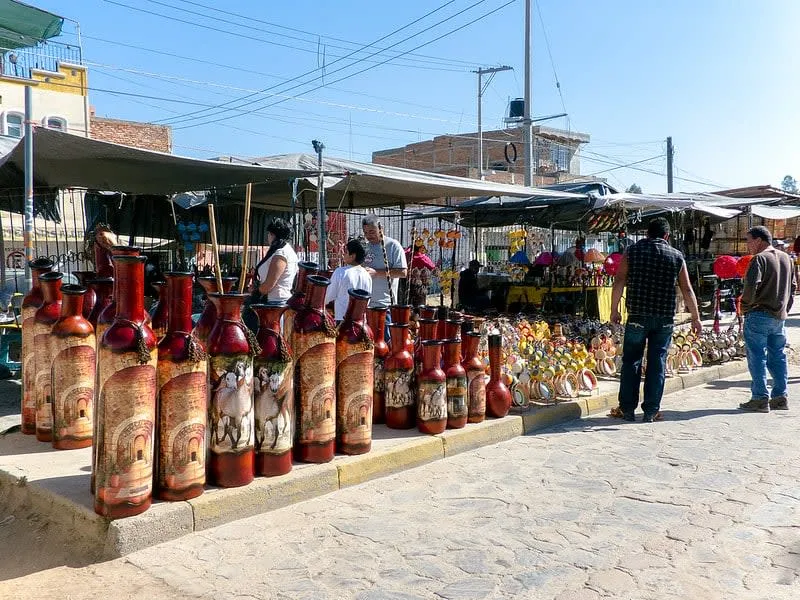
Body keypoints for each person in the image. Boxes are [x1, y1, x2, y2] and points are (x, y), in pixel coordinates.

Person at [610, 217, 702, 423]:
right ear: (667, 236)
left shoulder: (632, 251)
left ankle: (626, 409)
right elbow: (687, 289)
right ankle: (651, 411)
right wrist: (695, 317)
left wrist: (614, 309)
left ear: (646, 233)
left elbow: (619, 280)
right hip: (664, 319)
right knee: (657, 363)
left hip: (637, 316)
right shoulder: (677, 256)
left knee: (631, 361)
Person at [738, 226, 796, 412]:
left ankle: (760, 398)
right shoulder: (787, 258)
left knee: (757, 357)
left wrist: (745, 308)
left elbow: (750, 287)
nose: (748, 246)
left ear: (759, 240)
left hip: (759, 314)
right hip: (779, 317)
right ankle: (780, 396)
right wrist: (784, 309)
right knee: (778, 356)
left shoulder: (759, 259)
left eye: (749, 241)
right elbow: (793, 287)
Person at [244, 218, 298, 330]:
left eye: (269, 234)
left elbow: (269, 285)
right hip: (274, 302)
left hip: (275, 303)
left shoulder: (281, 254)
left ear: (272, 235)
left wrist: (256, 291)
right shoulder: (282, 251)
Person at [361, 216, 407, 309]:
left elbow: (403, 273)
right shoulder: (365, 247)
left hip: (385, 305)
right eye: (365, 233)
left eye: (372, 232)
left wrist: (377, 273)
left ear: (381, 228)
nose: (368, 236)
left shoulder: (393, 246)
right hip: (366, 303)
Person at [325, 238, 372, 322]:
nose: (343, 254)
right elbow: (367, 301)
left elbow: (329, 296)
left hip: (342, 319)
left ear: (352, 256)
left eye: (346, 252)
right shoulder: (367, 275)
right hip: (361, 321)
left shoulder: (340, 272)